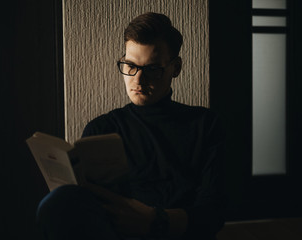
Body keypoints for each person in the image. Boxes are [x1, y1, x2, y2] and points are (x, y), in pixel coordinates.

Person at [36, 12, 226, 240]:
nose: (138, 80)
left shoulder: (204, 125)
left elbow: (213, 213)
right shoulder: (101, 129)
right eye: (130, 65)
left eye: (152, 69)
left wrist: (155, 221)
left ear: (175, 68)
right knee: (58, 201)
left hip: (175, 233)